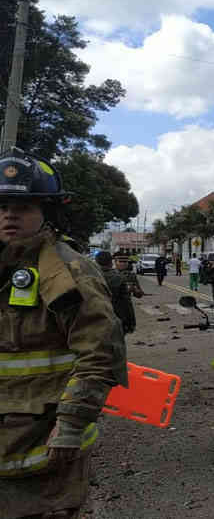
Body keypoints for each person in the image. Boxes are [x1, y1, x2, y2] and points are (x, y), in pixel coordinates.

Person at [0, 148, 127, 518]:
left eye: (23, 206)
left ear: (46, 212)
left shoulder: (68, 271)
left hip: (45, 449)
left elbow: (100, 354)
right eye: (3, 205)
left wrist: (72, 423)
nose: (9, 214)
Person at [96, 251, 134, 335]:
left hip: (96, 317)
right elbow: (126, 302)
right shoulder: (119, 278)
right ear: (111, 262)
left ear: (96, 262)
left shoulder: (90, 276)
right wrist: (131, 322)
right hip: (116, 316)